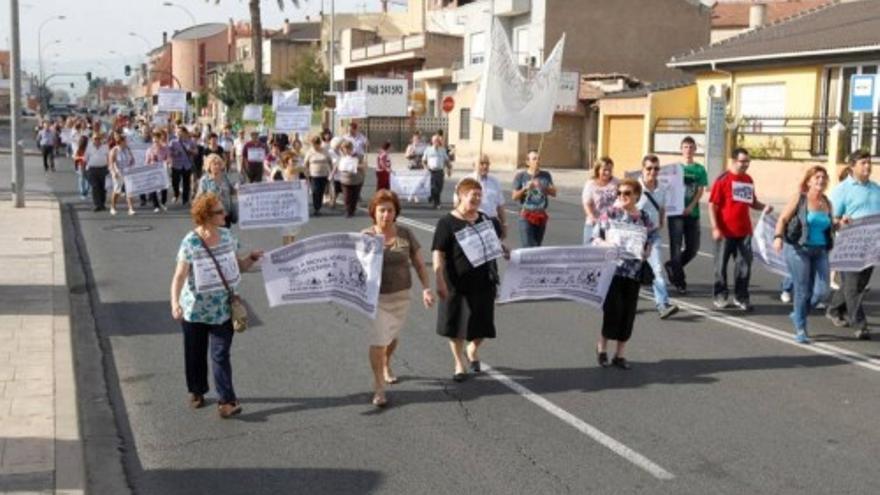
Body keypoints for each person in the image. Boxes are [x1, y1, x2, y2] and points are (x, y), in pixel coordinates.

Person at [170, 193, 263, 418]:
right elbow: (180, 276)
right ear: (206, 216)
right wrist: (175, 302)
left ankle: (226, 401)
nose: (225, 214)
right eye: (220, 212)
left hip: (222, 309)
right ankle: (197, 390)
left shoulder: (228, 236)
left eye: (224, 210)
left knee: (221, 355)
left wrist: (251, 258)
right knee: (195, 354)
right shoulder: (190, 241)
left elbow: (237, 266)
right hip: (195, 310)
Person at [362, 190, 435, 407]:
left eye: (390, 210)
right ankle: (378, 387)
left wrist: (426, 288)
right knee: (378, 339)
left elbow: (420, 264)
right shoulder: (366, 236)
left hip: (401, 295)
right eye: (381, 210)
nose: (386, 215)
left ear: (396, 213)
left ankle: (387, 362)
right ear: (374, 213)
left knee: (391, 337)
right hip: (376, 298)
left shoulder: (405, 234)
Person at [432, 178, 507, 381]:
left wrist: (505, 251)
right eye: (472, 195)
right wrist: (438, 278)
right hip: (456, 284)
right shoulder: (447, 223)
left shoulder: (486, 220)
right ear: (461, 196)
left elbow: (496, 243)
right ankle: (459, 363)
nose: (477, 198)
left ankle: (472, 350)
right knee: (456, 324)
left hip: (484, 281)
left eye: (479, 195)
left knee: (483, 324)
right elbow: (438, 253)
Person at [592, 178, 652, 370]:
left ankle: (620, 354)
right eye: (619, 193)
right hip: (613, 270)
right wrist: (605, 244)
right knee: (613, 310)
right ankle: (602, 349)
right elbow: (595, 238)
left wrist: (647, 250)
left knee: (628, 313)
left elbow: (650, 239)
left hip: (633, 272)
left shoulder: (644, 217)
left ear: (636, 195)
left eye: (627, 193)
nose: (622, 197)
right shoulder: (610, 214)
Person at [773, 166, 835, 344]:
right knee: (802, 290)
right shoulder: (800, 199)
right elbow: (783, 219)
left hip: (820, 250)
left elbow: (829, 226)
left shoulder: (827, 202)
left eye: (823, 177)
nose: (820, 180)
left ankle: (798, 313)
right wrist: (778, 237)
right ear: (809, 181)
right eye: (817, 177)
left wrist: (839, 222)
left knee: (822, 291)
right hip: (798, 249)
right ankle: (801, 327)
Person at [709, 148, 772, 311]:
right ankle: (720, 296)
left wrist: (765, 207)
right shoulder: (722, 180)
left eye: (747, 161)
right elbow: (712, 205)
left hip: (744, 231)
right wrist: (715, 227)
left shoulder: (748, 180)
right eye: (742, 161)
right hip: (725, 232)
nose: (745, 164)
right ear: (733, 161)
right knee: (721, 266)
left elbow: (752, 202)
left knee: (744, 266)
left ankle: (741, 297)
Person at [826, 151, 880, 339]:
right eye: (864, 163)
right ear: (852, 166)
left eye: (869, 162)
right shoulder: (843, 189)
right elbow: (831, 217)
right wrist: (840, 221)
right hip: (849, 244)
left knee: (859, 284)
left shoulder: (875, 188)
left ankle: (833, 309)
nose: (868, 166)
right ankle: (860, 324)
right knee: (852, 286)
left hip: (872, 245)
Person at [665, 136, 709, 294]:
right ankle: (679, 281)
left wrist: (690, 206)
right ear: (681, 149)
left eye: (691, 147)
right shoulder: (674, 168)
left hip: (692, 213)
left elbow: (700, 191)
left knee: (693, 248)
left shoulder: (699, 169)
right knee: (675, 248)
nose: (688, 150)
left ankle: (673, 266)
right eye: (685, 147)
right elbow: (666, 187)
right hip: (675, 214)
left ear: (695, 150)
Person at [637, 155, 679, 319]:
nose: (653, 172)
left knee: (658, 270)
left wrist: (661, 222)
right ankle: (623, 303)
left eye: (656, 168)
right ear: (643, 169)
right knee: (629, 275)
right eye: (649, 168)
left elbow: (661, 207)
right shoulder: (634, 187)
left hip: (652, 236)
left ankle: (663, 305)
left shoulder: (661, 188)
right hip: (634, 237)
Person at [454, 154, 508, 239]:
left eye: (487, 164)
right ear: (474, 165)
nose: (485, 166)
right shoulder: (466, 181)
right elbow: (457, 204)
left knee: (494, 250)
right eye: (482, 163)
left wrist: (504, 224)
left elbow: (500, 205)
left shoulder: (495, 181)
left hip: (492, 221)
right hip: (473, 222)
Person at [512, 150, 557, 247]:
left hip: (540, 214)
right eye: (534, 159)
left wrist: (542, 186)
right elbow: (514, 196)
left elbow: (554, 192)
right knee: (528, 246)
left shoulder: (545, 175)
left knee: (537, 246)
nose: (537, 161)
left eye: (538, 158)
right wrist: (525, 188)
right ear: (528, 162)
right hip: (525, 214)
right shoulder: (521, 176)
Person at [581, 157, 619, 245]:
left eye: (610, 170)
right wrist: (591, 216)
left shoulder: (616, 182)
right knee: (588, 251)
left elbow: (621, 199)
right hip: (594, 223)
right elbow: (587, 203)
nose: (607, 172)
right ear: (598, 169)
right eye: (605, 170)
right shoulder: (591, 184)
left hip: (612, 224)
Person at [197, 154, 236, 228]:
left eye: (219, 164)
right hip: (211, 215)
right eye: (214, 164)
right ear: (209, 166)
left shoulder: (225, 177)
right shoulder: (204, 180)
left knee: (225, 236)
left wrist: (240, 189)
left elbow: (232, 191)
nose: (217, 166)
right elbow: (200, 197)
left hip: (225, 214)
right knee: (214, 237)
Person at [108, 133, 137, 216]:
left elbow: (132, 159)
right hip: (118, 173)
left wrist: (131, 163)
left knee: (129, 190)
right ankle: (112, 207)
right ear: (120, 142)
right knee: (117, 190)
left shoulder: (127, 149)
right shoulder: (114, 150)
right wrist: (114, 173)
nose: (126, 142)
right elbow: (111, 163)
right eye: (125, 141)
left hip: (127, 172)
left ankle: (130, 208)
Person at [303, 135, 332, 216]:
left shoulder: (325, 151)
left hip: (324, 174)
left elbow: (330, 161)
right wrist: (306, 173)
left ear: (319, 144)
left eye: (316, 144)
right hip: (314, 174)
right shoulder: (310, 152)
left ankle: (318, 207)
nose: (315, 146)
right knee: (315, 191)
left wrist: (331, 171)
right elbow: (305, 163)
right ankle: (316, 208)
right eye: (313, 145)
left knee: (321, 191)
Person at [422, 135, 452, 208]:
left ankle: (432, 197)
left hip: (440, 171)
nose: (436, 142)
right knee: (434, 187)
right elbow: (423, 161)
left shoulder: (442, 150)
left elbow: (447, 161)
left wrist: (449, 169)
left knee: (439, 187)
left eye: (438, 141)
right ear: (432, 141)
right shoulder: (428, 150)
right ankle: (437, 203)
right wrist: (426, 168)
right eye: (435, 140)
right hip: (431, 171)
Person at [337, 140, 366, 218]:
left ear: (351, 148)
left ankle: (352, 210)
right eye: (344, 149)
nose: (346, 150)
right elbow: (339, 166)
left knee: (354, 196)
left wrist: (355, 166)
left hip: (356, 179)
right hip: (345, 180)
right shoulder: (342, 157)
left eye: (348, 148)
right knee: (347, 196)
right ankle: (348, 211)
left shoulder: (358, 156)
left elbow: (364, 166)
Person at [169, 127, 197, 205]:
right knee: (175, 182)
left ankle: (185, 199)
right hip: (176, 165)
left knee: (186, 183)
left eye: (180, 132)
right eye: (177, 132)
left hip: (187, 165)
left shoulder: (191, 142)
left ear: (185, 133)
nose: (179, 133)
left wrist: (190, 150)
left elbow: (196, 151)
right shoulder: (173, 142)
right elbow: (169, 153)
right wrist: (175, 153)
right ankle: (176, 194)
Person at [145, 130, 170, 213]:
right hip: (153, 171)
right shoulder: (149, 150)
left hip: (162, 171)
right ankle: (156, 205)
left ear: (160, 139)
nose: (155, 142)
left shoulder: (165, 148)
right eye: (154, 140)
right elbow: (147, 161)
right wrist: (147, 167)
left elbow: (168, 158)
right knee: (153, 188)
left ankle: (163, 202)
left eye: (157, 140)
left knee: (164, 187)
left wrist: (167, 162)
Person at [84, 133, 110, 212]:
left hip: (103, 169)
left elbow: (108, 157)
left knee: (103, 187)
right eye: (95, 139)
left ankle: (102, 203)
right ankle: (97, 204)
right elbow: (86, 158)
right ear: (92, 140)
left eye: (98, 139)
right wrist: (84, 169)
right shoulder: (89, 147)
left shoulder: (105, 147)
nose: (97, 140)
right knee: (95, 187)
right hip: (92, 169)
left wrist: (109, 168)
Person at [73, 135, 91, 201]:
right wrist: (81, 158)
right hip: (81, 166)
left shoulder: (89, 148)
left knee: (89, 180)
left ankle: (85, 192)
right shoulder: (79, 149)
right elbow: (75, 158)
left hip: (88, 166)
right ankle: (82, 193)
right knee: (82, 179)